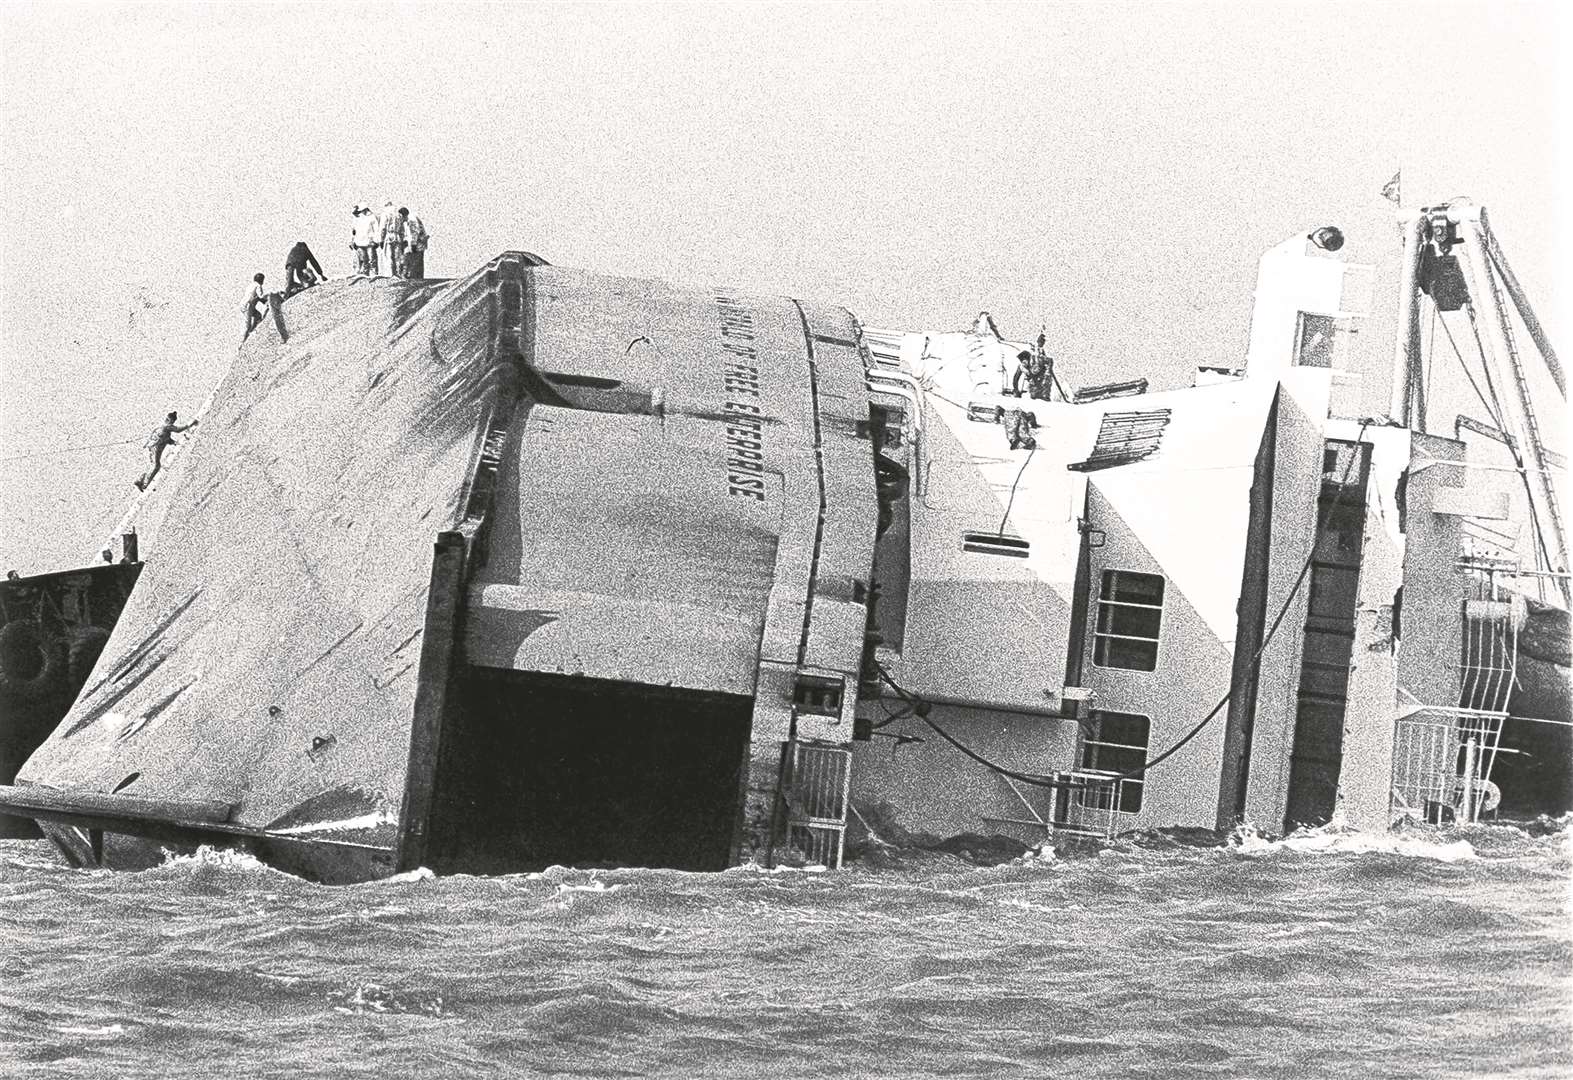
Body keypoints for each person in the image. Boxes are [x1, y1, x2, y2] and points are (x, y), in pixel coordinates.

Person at [134, 411, 198, 491]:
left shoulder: (161, 427)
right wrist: (190, 424)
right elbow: (178, 430)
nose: (172, 423)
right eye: (172, 421)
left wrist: (173, 442)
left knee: (153, 465)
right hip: (156, 448)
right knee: (156, 466)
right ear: (171, 420)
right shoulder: (167, 426)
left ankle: (141, 480)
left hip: (152, 448)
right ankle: (144, 484)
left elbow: (165, 438)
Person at [377, 199, 404, 278]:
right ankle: (398, 273)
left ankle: (390, 274)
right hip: (397, 236)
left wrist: (381, 240)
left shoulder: (385, 214)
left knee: (388, 255)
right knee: (397, 256)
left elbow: (383, 228)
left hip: (389, 236)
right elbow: (402, 229)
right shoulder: (399, 215)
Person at [399, 207, 428, 278]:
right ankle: (417, 277)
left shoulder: (412, 219)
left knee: (416, 262)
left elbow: (414, 232)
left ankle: (417, 278)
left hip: (418, 243)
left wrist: (413, 244)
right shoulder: (410, 219)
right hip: (418, 243)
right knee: (416, 262)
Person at [351, 204, 379, 275]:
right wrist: (353, 240)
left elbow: (376, 230)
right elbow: (355, 231)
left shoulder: (372, 217)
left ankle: (374, 273)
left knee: (372, 259)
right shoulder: (358, 218)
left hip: (370, 241)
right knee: (364, 259)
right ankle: (365, 274)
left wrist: (376, 240)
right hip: (360, 241)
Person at [242, 273, 267, 340]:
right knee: (247, 325)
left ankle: (252, 331)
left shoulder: (251, 285)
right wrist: (269, 296)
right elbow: (261, 296)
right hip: (248, 306)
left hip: (244, 305)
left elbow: (254, 296)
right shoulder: (258, 286)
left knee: (258, 316)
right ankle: (243, 341)